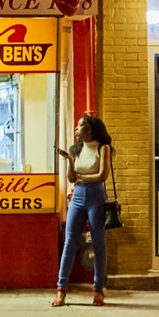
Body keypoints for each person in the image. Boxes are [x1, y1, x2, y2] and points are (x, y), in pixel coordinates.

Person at [53, 113, 114, 307]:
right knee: (70, 241)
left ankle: (98, 290)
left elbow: (102, 175)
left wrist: (82, 176)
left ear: (90, 129)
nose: (76, 129)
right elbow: (71, 178)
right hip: (78, 195)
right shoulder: (76, 149)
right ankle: (61, 290)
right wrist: (71, 162)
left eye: (80, 126)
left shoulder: (103, 148)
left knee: (98, 242)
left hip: (96, 196)